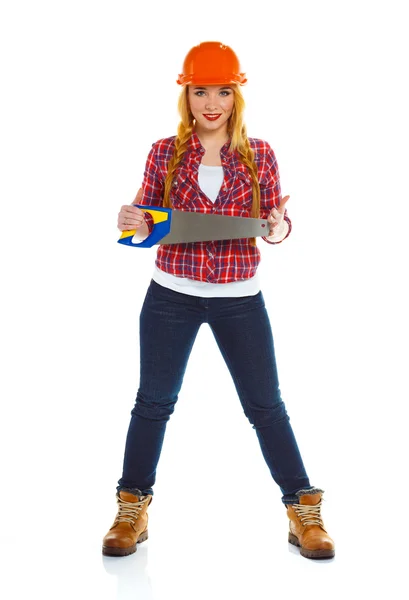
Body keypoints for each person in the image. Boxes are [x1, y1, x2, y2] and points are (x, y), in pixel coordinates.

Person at [102, 41, 335, 560]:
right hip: (171, 295)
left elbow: (276, 227)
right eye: (200, 90)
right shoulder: (165, 152)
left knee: (266, 407)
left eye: (223, 91)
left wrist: (277, 226)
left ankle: (302, 509)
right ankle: (131, 507)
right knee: (153, 403)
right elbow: (145, 221)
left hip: (239, 299)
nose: (211, 102)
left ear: (236, 96)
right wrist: (130, 219)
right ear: (186, 94)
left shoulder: (261, 155)